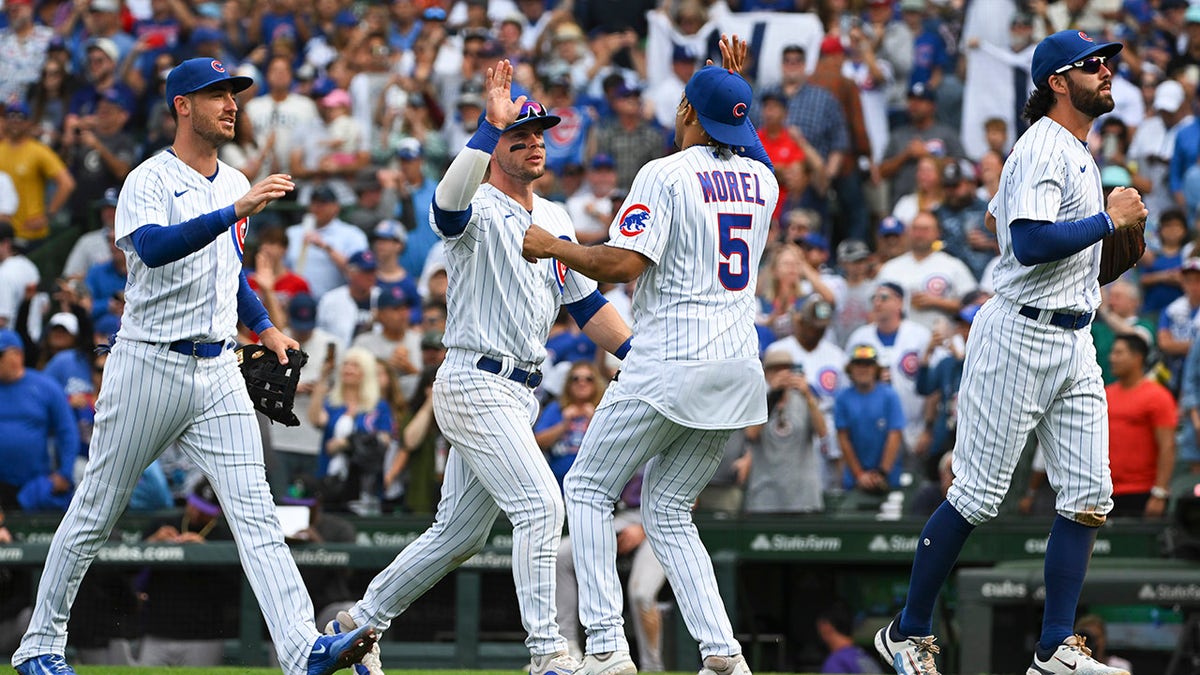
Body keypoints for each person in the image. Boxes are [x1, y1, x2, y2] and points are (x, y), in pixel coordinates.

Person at [11, 58, 378, 675]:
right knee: (95, 513)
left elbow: (230, 274)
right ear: (183, 105)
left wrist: (265, 327)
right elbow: (153, 249)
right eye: (217, 95)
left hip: (217, 371)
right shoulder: (148, 179)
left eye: (234, 95)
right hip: (147, 363)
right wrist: (235, 213)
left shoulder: (234, 179)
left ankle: (301, 650)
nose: (232, 104)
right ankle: (40, 646)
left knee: (258, 515)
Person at [323, 60, 631, 675]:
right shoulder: (477, 201)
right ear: (495, 148)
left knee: (458, 535)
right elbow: (444, 206)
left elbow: (588, 306)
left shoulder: (558, 217)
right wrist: (487, 129)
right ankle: (546, 654)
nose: (534, 141)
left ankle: (357, 624)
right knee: (543, 505)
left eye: (539, 132)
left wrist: (645, 358)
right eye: (521, 135)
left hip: (519, 390)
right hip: (473, 378)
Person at [874, 30, 1146, 675]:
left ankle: (1055, 648)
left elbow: (1004, 225)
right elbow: (1024, 242)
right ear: (1058, 80)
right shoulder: (1040, 145)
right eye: (1093, 64)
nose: (1107, 71)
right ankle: (907, 631)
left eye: (1108, 63)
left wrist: (1096, 251)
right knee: (977, 495)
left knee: (1089, 496)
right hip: (1019, 333)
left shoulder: (1076, 149)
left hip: (1074, 334)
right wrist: (1108, 220)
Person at [522, 36, 777, 675]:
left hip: (670, 358)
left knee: (584, 487)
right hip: (738, 368)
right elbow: (747, 143)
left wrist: (554, 245)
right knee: (667, 510)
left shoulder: (663, 172)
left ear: (687, 111)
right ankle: (722, 653)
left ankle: (606, 647)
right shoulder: (764, 180)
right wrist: (733, 94)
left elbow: (622, 263)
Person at [0, 329, 79, 512]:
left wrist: (64, 473)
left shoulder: (45, 387)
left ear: (17, 355)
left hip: (33, 485)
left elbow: (67, 431)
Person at [743, 350, 827, 514]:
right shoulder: (758, 401)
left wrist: (808, 395)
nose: (782, 374)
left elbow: (823, 432)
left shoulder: (805, 400)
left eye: (786, 369)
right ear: (766, 374)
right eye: (776, 370)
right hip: (765, 495)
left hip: (803, 496)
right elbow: (750, 435)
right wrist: (773, 396)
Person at [1105, 334, 1177, 519]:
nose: (1112, 358)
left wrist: (1159, 493)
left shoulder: (1157, 396)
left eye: (1119, 353)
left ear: (1137, 358)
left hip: (1141, 493)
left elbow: (1167, 446)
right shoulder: (1104, 394)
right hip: (1104, 493)